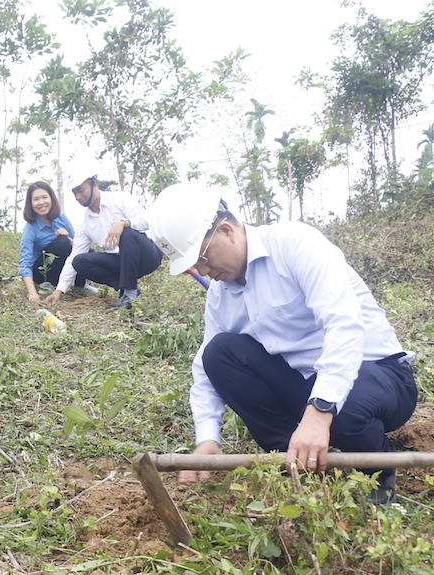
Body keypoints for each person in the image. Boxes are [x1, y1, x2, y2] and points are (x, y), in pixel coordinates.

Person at [146, 183, 417, 504]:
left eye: (201, 258)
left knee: (341, 406)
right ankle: (298, 459)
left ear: (227, 230)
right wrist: (207, 438)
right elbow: (205, 370)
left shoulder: (295, 245)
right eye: (194, 267)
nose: (202, 271)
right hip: (307, 384)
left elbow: (343, 325)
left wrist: (320, 411)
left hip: (378, 375)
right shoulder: (221, 295)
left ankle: (378, 468)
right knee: (219, 353)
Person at [45, 174, 162, 308]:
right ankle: (128, 288)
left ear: (95, 184)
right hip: (122, 263)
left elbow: (146, 221)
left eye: (80, 190)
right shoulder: (85, 223)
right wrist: (58, 292)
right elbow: (73, 257)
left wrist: (124, 222)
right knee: (79, 261)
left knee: (126, 232)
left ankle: (130, 295)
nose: (77, 197)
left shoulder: (120, 199)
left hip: (146, 256)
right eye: (74, 192)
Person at [19, 181, 80, 302]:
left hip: (63, 268)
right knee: (62, 243)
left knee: (86, 250)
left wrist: (68, 237)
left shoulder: (62, 218)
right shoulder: (30, 228)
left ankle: (80, 286)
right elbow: (25, 262)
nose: (41, 202)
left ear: (51, 198)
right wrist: (32, 293)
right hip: (42, 271)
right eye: (36, 199)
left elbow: (79, 245)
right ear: (30, 203)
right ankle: (48, 284)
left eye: (44, 197)